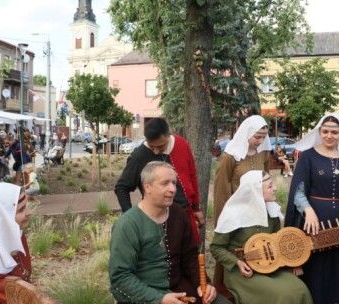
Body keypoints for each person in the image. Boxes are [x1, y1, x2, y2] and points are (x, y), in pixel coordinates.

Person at [109, 161, 230, 304]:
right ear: (147, 187)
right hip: (144, 295)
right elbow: (120, 276)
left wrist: (204, 284)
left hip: (180, 288)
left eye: (174, 183)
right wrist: (159, 299)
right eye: (165, 183)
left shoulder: (178, 213)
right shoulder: (127, 224)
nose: (173, 189)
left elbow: (190, 256)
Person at [284, 113, 339, 304]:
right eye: (325, 131)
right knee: (318, 273)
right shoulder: (307, 156)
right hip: (314, 225)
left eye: (334, 132)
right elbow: (298, 191)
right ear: (319, 132)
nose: (329, 135)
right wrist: (308, 210)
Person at [210, 171, 312, 304]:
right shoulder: (233, 214)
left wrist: (292, 262)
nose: (275, 188)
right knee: (283, 294)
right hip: (243, 272)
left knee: (300, 288)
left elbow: (278, 243)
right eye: (270, 186)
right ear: (256, 190)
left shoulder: (272, 210)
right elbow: (216, 248)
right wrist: (237, 263)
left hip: (270, 267)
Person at [114, 118, 204, 243]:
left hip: (185, 215)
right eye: (152, 146)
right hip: (158, 221)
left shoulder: (182, 144)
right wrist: (131, 218)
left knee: (190, 256)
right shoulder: (139, 156)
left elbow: (192, 175)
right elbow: (121, 188)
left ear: (168, 135)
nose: (156, 151)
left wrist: (195, 207)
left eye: (160, 146)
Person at [212, 115, 271, 284]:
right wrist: (223, 219)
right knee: (234, 250)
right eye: (257, 136)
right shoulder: (230, 156)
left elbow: (265, 179)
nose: (260, 141)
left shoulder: (263, 153)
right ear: (246, 133)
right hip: (236, 213)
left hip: (257, 211)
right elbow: (221, 190)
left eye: (264, 137)